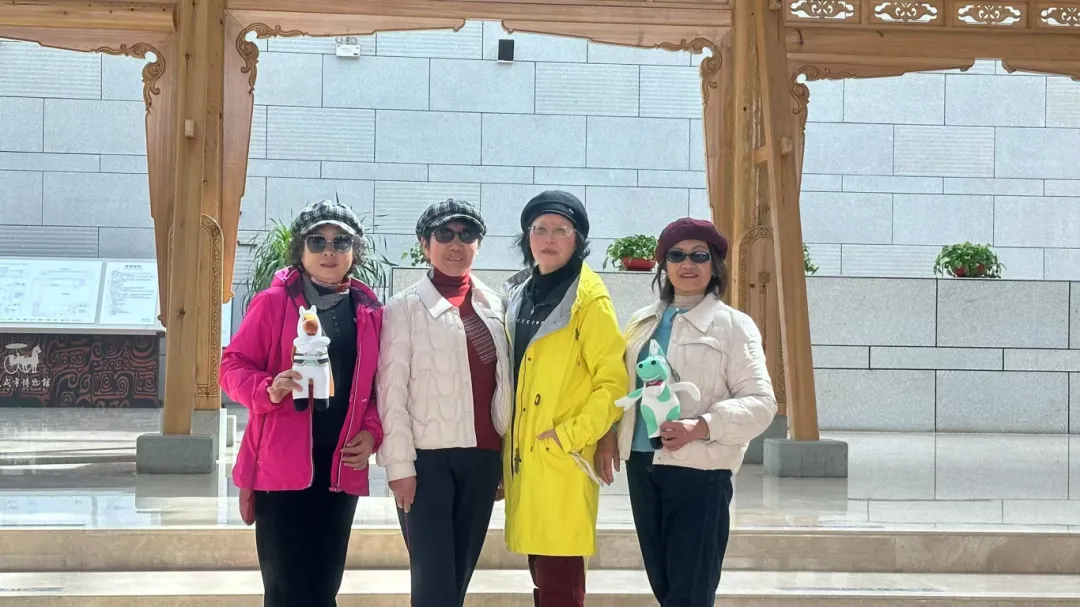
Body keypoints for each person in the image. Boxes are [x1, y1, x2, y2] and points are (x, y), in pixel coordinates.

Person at [594, 217, 777, 607]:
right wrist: (609, 434)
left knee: (691, 590)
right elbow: (623, 387)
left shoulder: (734, 326)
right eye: (676, 255)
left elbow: (762, 403)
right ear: (663, 264)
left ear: (715, 266)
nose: (687, 263)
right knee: (664, 585)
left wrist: (702, 426)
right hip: (643, 465)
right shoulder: (642, 322)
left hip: (700, 472)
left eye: (699, 255)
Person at [220, 199, 384, 607]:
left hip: (339, 466)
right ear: (301, 249)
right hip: (281, 467)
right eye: (317, 241)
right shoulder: (274, 303)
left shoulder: (368, 311)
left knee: (324, 586)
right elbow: (232, 366)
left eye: (341, 241)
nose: (329, 251)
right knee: (285, 589)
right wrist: (267, 388)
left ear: (355, 251)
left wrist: (372, 433)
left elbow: (380, 387)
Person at [376, 199, 512, 607]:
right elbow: (391, 392)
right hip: (427, 462)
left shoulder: (495, 305)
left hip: (483, 457)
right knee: (433, 580)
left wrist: (503, 463)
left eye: (467, 235)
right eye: (444, 234)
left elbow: (504, 385)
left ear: (478, 244)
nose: (456, 244)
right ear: (425, 243)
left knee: (458, 576)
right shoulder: (403, 308)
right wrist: (399, 467)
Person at [502, 190, 628, 607]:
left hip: (562, 456)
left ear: (578, 240)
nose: (549, 238)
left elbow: (613, 382)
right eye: (540, 228)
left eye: (561, 230)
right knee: (542, 576)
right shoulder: (520, 294)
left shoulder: (589, 300)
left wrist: (571, 435)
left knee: (561, 583)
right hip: (525, 458)